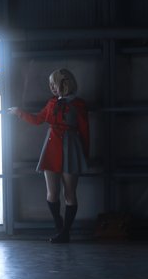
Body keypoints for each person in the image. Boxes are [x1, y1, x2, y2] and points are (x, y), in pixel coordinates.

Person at [8, 68, 89, 243]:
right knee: (52, 193)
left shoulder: (79, 104)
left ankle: (65, 233)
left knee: (70, 194)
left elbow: (84, 131)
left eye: (54, 84)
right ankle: (60, 227)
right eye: (50, 84)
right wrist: (19, 112)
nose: (51, 87)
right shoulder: (52, 103)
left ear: (65, 83)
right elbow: (38, 120)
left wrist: (84, 156)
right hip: (52, 148)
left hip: (71, 149)